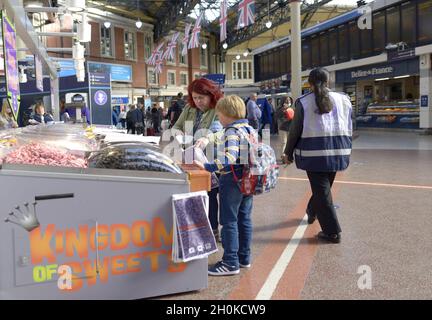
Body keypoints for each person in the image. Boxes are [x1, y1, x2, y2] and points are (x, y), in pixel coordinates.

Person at [282, 68, 353, 243]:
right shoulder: (344, 100)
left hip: (313, 154)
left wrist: (288, 152)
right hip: (339, 151)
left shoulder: (304, 102)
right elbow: (351, 125)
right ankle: (312, 211)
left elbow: (295, 130)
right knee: (323, 189)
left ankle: (332, 232)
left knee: (322, 191)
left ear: (310, 83)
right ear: (328, 82)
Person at [194, 95, 255, 276]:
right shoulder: (249, 128)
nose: (218, 118)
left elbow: (228, 158)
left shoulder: (231, 131)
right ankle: (244, 258)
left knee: (229, 221)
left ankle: (230, 262)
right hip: (248, 179)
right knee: (245, 219)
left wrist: (207, 166)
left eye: (219, 115)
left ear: (227, 114)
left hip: (232, 180)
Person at [173, 77, 223, 241]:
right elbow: (176, 127)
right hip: (191, 157)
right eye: (195, 97)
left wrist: (207, 139)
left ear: (211, 95)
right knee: (197, 192)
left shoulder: (218, 109)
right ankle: (202, 227)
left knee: (212, 193)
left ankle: (213, 229)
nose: (198, 101)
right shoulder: (189, 108)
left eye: (201, 97)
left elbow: (218, 131)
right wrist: (178, 134)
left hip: (213, 159)